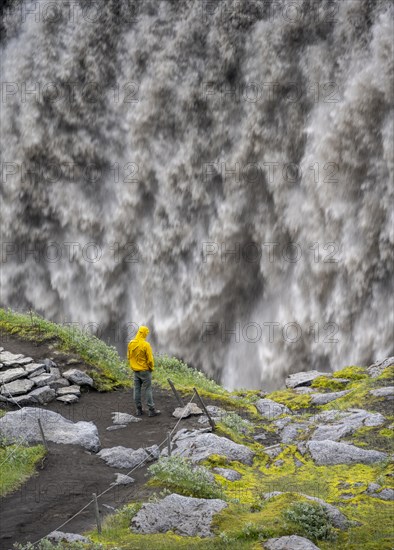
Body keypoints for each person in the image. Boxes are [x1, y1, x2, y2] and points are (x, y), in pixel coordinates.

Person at [127, 325, 161, 417]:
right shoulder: (146, 345)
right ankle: (151, 410)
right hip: (145, 370)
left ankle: (138, 410)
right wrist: (151, 368)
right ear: (144, 333)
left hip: (135, 370)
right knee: (148, 389)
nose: (147, 335)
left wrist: (133, 365)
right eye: (146, 333)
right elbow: (150, 360)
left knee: (137, 389)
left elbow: (129, 356)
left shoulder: (131, 343)